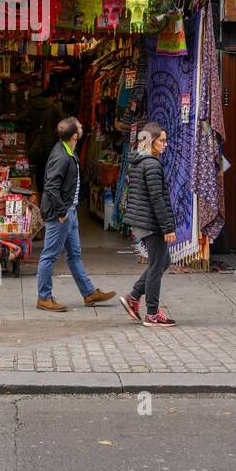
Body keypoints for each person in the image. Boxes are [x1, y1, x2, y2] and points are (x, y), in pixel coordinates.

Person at [36, 116, 115, 312]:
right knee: (49, 256)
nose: (82, 127)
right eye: (80, 126)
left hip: (70, 212)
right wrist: (62, 212)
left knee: (74, 254)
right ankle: (44, 297)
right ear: (74, 135)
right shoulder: (62, 156)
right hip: (60, 215)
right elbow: (51, 187)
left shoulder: (67, 151)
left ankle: (89, 292)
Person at [120, 123, 177, 326]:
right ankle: (152, 314)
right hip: (150, 221)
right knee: (156, 265)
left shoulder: (138, 161)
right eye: (161, 140)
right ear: (151, 141)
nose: (165, 144)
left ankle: (133, 296)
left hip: (141, 219)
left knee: (163, 261)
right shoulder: (151, 164)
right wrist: (167, 227)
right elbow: (157, 199)